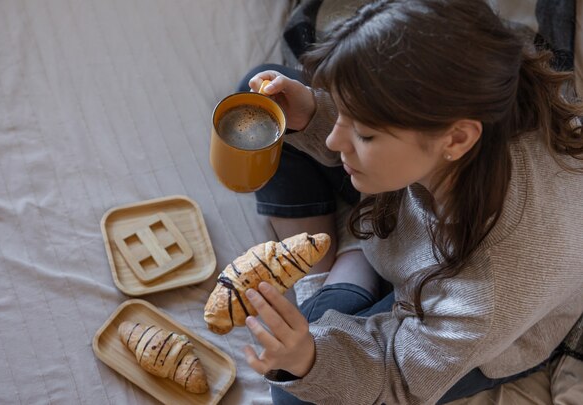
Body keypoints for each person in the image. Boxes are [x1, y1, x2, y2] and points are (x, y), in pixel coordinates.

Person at [236, 0, 583, 404]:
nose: (333, 140)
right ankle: (334, 271)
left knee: (295, 389)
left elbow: (397, 376)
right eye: (344, 116)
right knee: (259, 105)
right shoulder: (468, 112)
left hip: (465, 331)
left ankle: (340, 283)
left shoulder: (490, 285)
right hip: (404, 208)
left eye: (363, 134)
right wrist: (313, 111)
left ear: (455, 139)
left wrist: (309, 357)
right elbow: (372, 115)